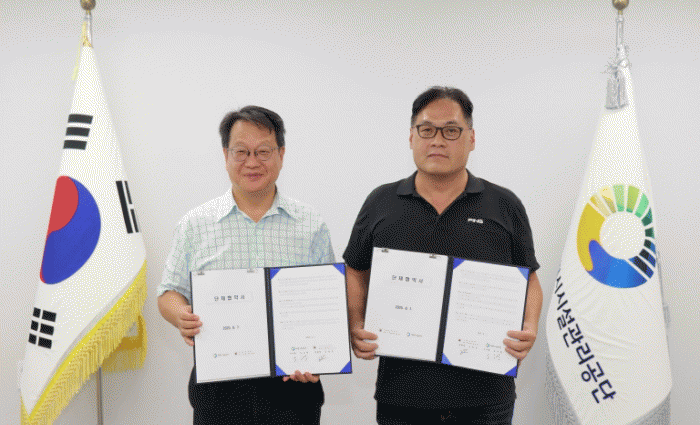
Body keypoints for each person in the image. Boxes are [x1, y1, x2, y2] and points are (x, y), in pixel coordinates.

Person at [344, 87, 542, 425]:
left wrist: (530, 327)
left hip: (486, 399)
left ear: (471, 138)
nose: (437, 140)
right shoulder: (380, 202)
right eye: (427, 129)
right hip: (402, 397)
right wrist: (356, 324)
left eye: (451, 130)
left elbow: (529, 279)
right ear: (411, 136)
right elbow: (355, 270)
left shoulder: (504, 205)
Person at [157, 105, 335, 425]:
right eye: (241, 152)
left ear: (281, 154)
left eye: (263, 151)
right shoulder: (195, 224)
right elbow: (169, 292)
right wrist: (181, 315)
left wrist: (321, 352)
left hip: (293, 388)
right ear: (225, 155)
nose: (252, 162)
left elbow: (327, 303)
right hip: (218, 390)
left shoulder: (310, 224)